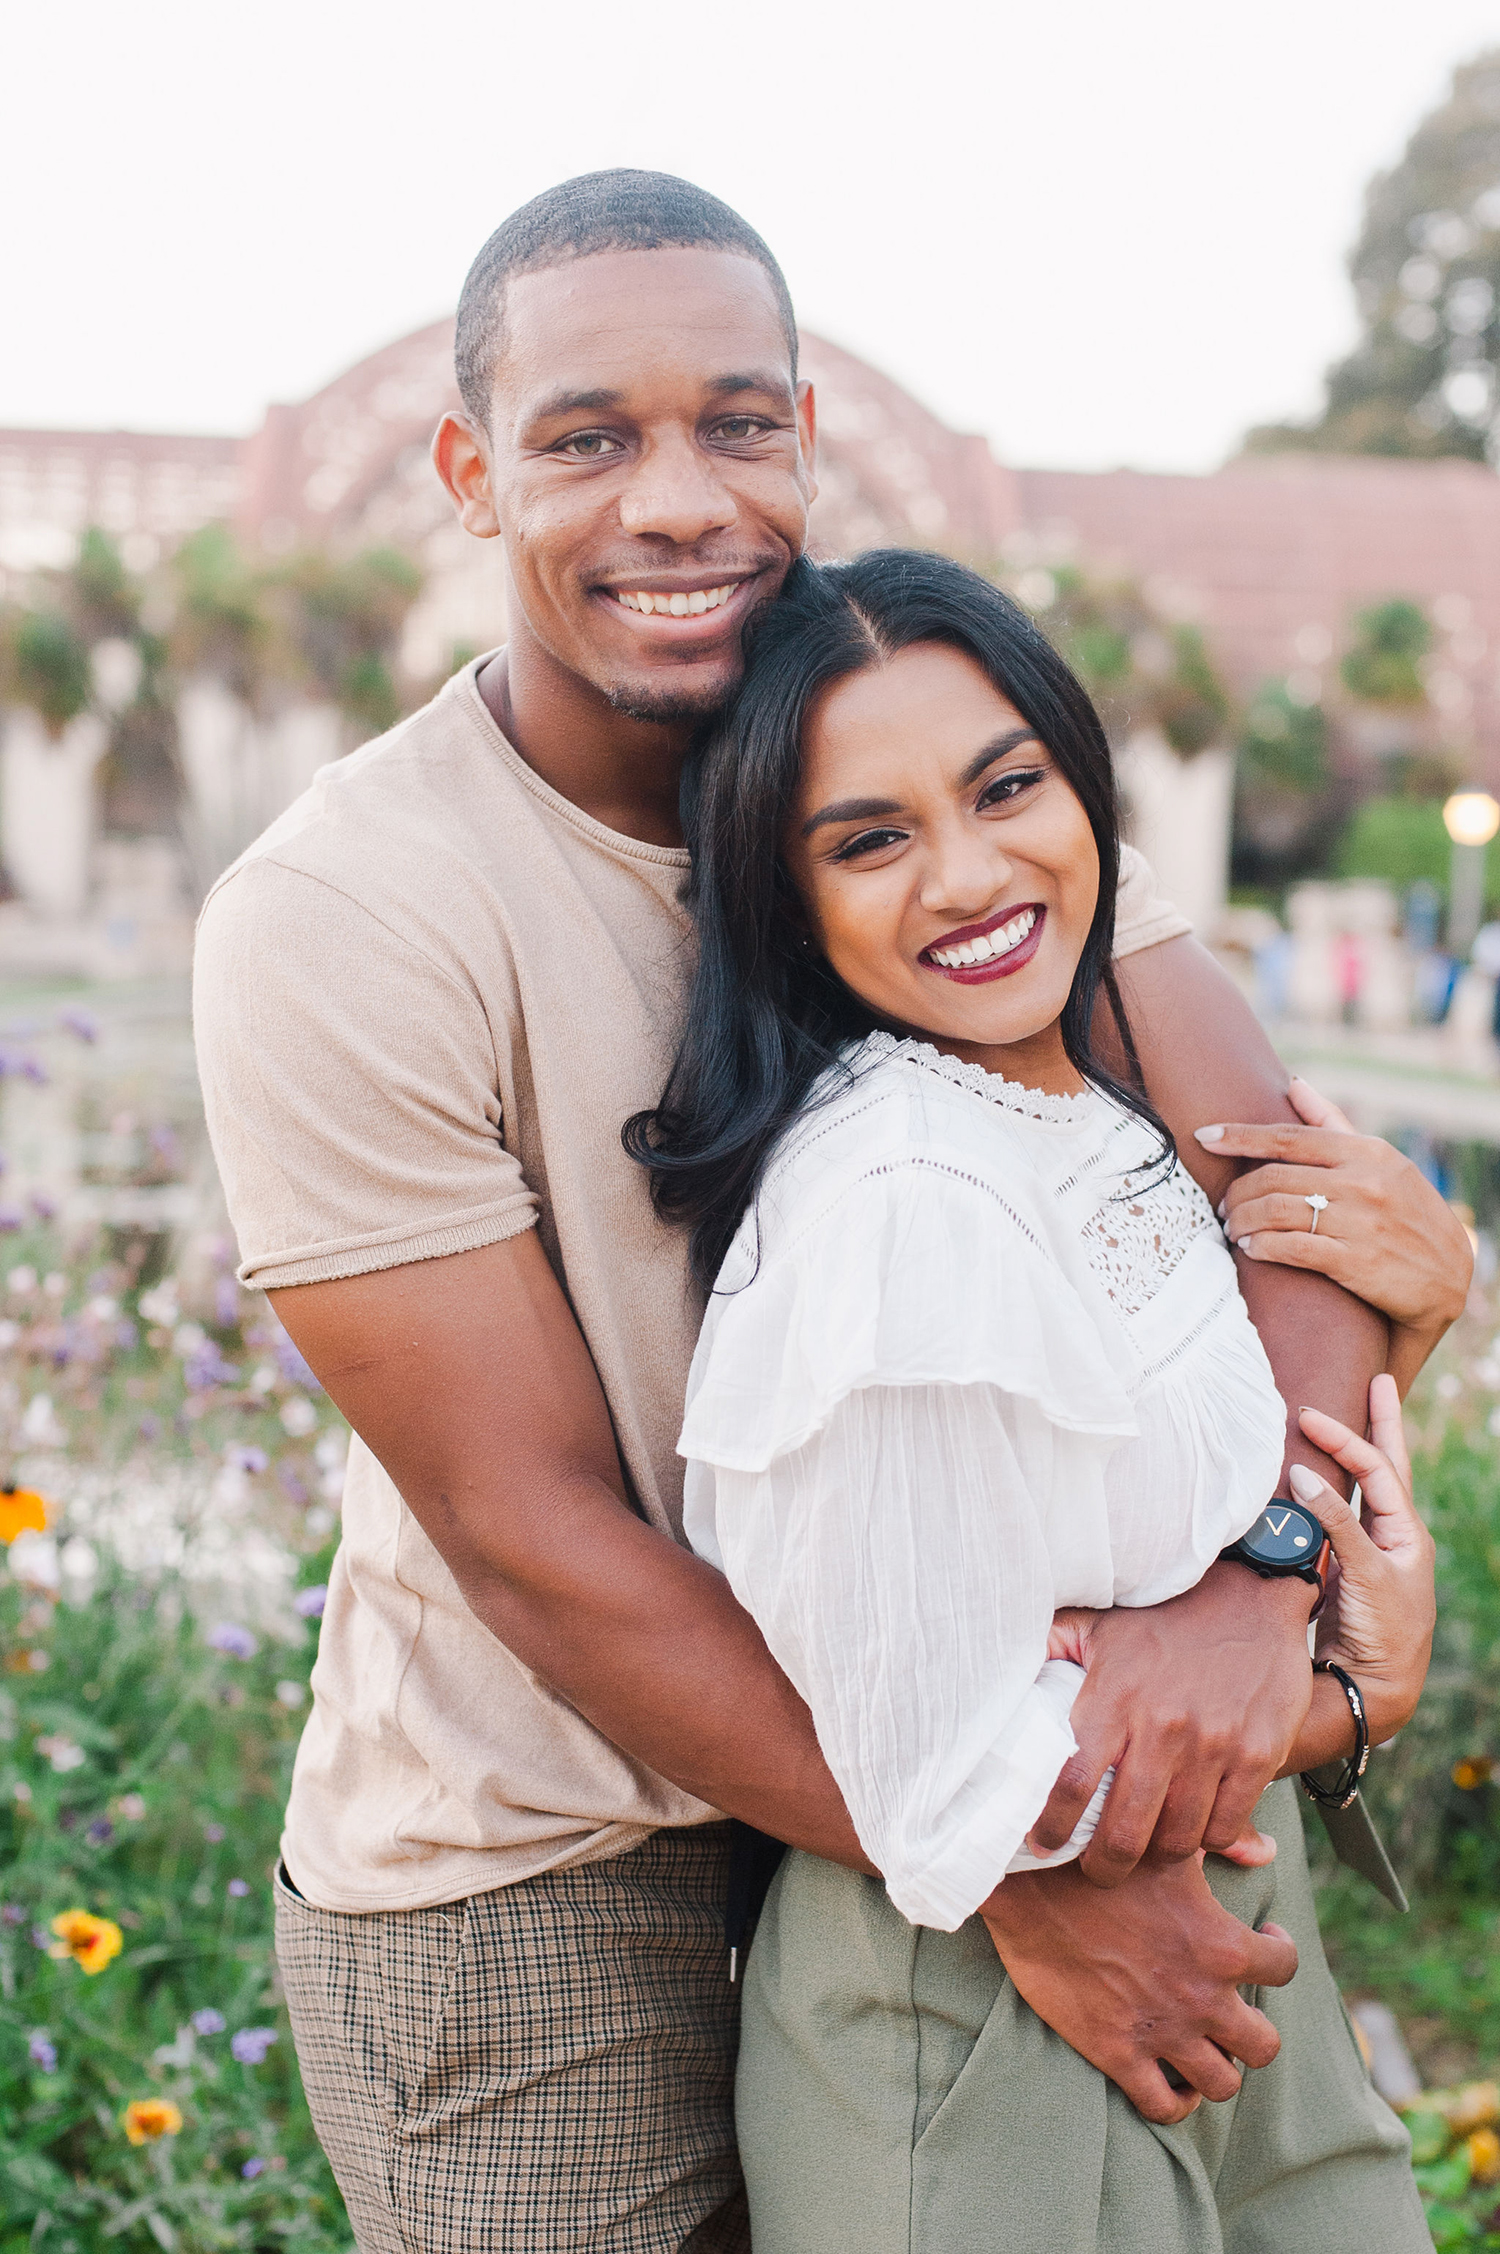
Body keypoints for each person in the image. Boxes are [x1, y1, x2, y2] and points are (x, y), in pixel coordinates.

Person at [192, 172, 1468, 2253]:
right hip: (552, 1868)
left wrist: (1256, 1585)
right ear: (465, 469)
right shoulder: (345, 914)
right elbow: (545, 1538)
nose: (678, 495)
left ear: (806, 434)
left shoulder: (903, 757)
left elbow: (1285, 1199)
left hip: (952, 1760)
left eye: (740, 422)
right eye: (588, 435)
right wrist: (1013, 1864)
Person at [630, 548, 1435, 2250]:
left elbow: (1171, 1477)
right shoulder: (903, 1196)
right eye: (871, 838)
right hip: (982, 2025)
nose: (970, 873)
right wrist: (1352, 1696)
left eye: (1008, 786)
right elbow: (952, 1779)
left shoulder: (1075, 1109)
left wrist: (1411, 1328)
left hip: (1224, 1950)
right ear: (791, 900)